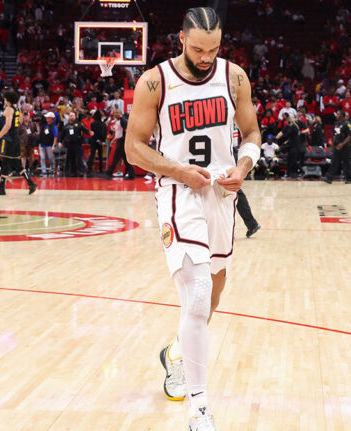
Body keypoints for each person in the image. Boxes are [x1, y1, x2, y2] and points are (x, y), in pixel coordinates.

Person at [124, 8, 262, 430]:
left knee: (212, 296)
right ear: (181, 39)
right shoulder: (154, 81)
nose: (206, 56)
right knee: (198, 290)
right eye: (198, 48)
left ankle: (176, 355)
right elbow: (134, 148)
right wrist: (177, 170)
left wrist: (244, 165)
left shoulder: (234, 76)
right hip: (178, 188)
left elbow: (252, 133)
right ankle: (199, 408)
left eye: (214, 48)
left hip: (221, 191)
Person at [0, 91, 37, 195]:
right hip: (15, 139)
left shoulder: (9, 109)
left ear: (7, 99)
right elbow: (19, 122)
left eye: (5, 98)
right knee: (16, 164)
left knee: (6, 163)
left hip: (8, 139)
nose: (4, 100)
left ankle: (1, 188)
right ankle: (30, 182)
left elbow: (8, 125)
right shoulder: (17, 109)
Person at [324, 111, 351, 184]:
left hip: (346, 147)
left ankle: (349, 179)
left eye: (338, 114)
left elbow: (350, 136)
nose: (336, 115)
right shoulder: (336, 124)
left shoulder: (348, 124)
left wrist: (342, 144)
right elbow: (335, 135)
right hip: (337, 146)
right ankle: (329, 178)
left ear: (342, 116)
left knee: (346, 163)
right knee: (334, 162)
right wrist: (332, 145)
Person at [59, 111, 93, 177]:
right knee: (71, 159)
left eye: (73, 115)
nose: (72, 117)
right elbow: (62, 135)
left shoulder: (79, 124)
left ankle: (81, 172)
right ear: (69, 117)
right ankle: (72, 172)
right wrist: (60, 142)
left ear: (75, 117)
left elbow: (85, 130)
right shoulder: (66, 126)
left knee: (79, 158)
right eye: (70, 115)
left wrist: (89, 132)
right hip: (69, 144)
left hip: (77, 144)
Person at [104, 110, 135, 180]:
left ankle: (108, 173)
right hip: (119, 141)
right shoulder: (117, 121)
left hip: (122, 142)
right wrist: (113, 140)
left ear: (120, 114)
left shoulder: (123, 121)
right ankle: (132, 175)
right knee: (126, 160)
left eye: (117, 113)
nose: (115, 114)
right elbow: (118, 133)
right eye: (115, 113)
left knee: (116, 158)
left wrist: (127, 141)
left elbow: (127, 131)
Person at [86, 110, 108, 175]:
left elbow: (93, 133)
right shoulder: (103, 124)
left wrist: (97, 140)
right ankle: (101, 169)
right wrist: (102, 141)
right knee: (100, 156)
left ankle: (89, 169)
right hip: (101, 142)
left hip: (94, 140)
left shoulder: (93, 123)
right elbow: (104, 133)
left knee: (92, 155)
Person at [38, 112, 59, 176]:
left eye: (48, 117)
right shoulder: (44, 124)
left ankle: (52, 169)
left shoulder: (54, 126)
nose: (46, 118)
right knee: (42, 157)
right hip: (42, 144)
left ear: (51, 118)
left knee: (51, 158)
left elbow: (56, 136)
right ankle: (43, 171)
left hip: (50, 145)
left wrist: (53, 145)